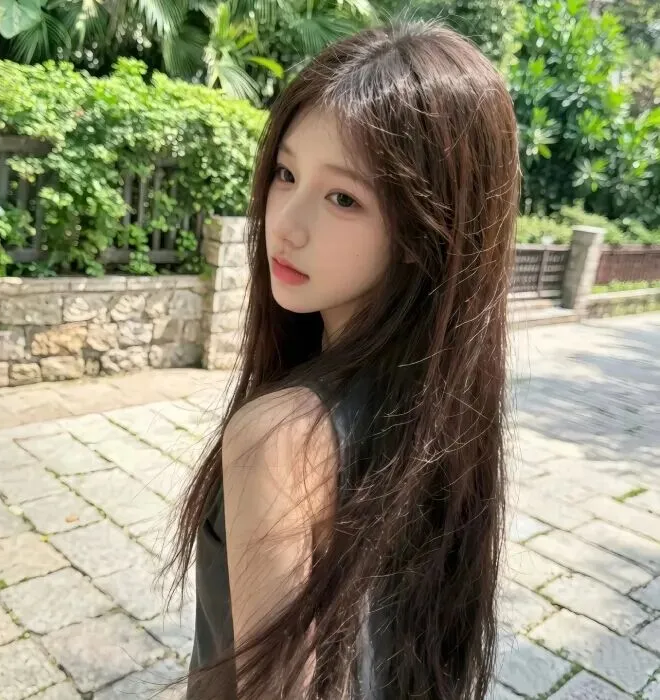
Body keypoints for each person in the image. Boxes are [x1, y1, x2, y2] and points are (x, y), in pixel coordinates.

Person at [166, 20, 520, 700]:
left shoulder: (280, 439)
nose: (286, 224)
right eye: (285, 173)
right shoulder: (443, 412)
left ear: (428, 230)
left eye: (343, 198)